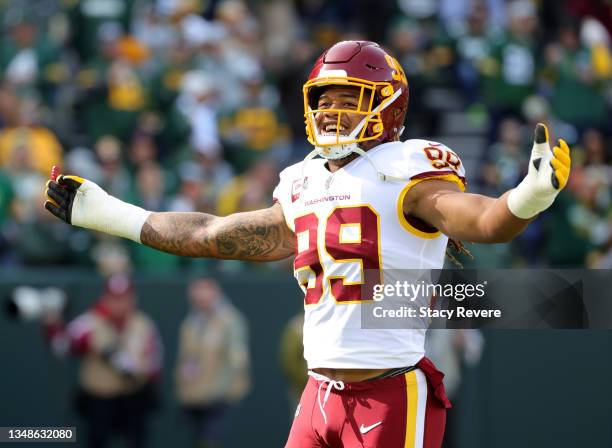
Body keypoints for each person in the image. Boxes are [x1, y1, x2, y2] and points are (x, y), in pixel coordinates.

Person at [44, 41, 571, 447]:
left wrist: (528, 195)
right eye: (325, 100)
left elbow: (484, 221)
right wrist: (107, 214)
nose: (332, 112)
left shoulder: (409, 170)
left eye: (351, 99)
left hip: (389, 390)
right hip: (318, 393)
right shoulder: (301, 182)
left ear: (388, 108)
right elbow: (211, 233)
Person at [44, 274, 162, 448]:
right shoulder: (90, 322)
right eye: (114, 299)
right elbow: (63, 346)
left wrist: (133, 367)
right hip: (99, 400)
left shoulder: (143, 325)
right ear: (105, 298)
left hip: (132, 398)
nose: (119, 304)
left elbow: (154, 365)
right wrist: (52, 325)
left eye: (123, 298)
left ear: (132, 299)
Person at [176, 277, 250, 448]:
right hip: (195, 398)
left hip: (220, 399)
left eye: (204, 292)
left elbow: (237, 360)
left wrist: (225, 392)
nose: (199, 298)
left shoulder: (230, 321)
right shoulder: (191, 322)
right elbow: (186, 359)